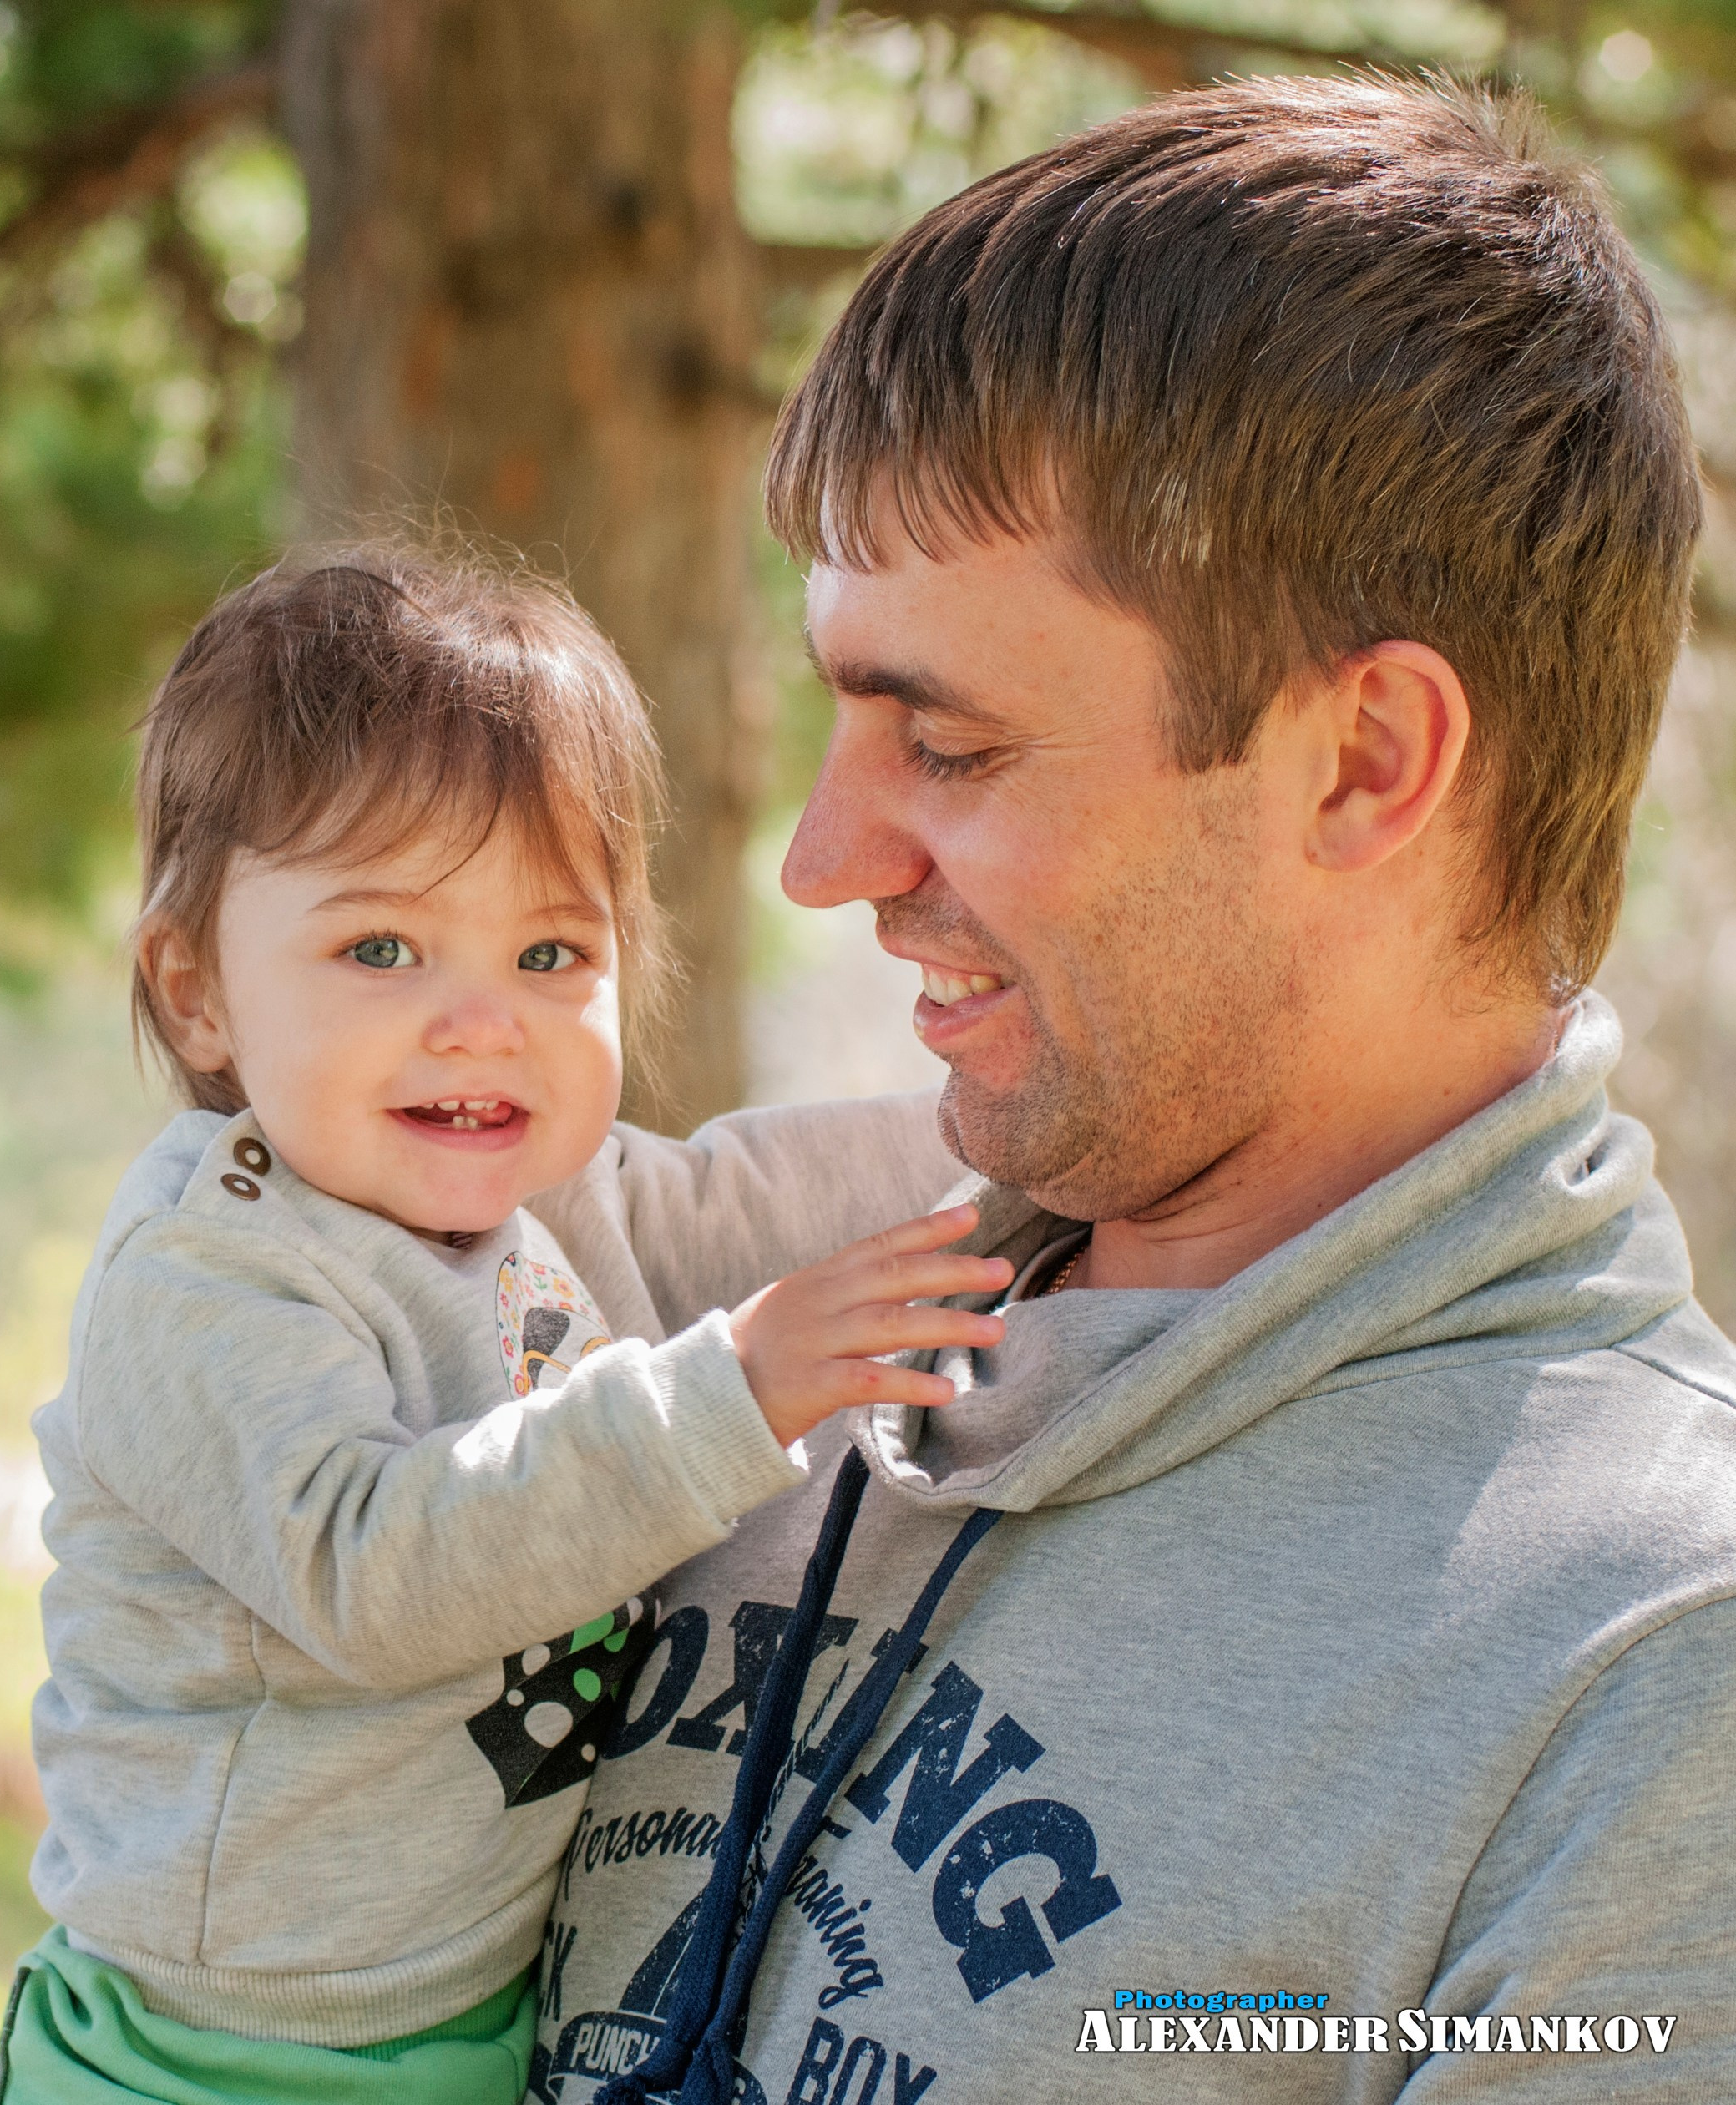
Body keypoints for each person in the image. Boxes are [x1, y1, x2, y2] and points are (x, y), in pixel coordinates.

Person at [521, 77, 1736, 2102]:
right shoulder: (721, 1345)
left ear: (1361, 763)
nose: (824, 861)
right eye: (843, 709)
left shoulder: (1652, 1669)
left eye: (958, 747)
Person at [0, 549, 1010, 2103]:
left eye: (550, 954)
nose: (483, 1018)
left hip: (473, 2002)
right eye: (380, 948)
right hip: (229, 2043)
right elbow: (373, 1563)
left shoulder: (533, 1203)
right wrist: (732, 1391)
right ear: (199, 993)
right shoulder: (209, 1277)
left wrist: (1018, 1134)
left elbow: (756, 1194)